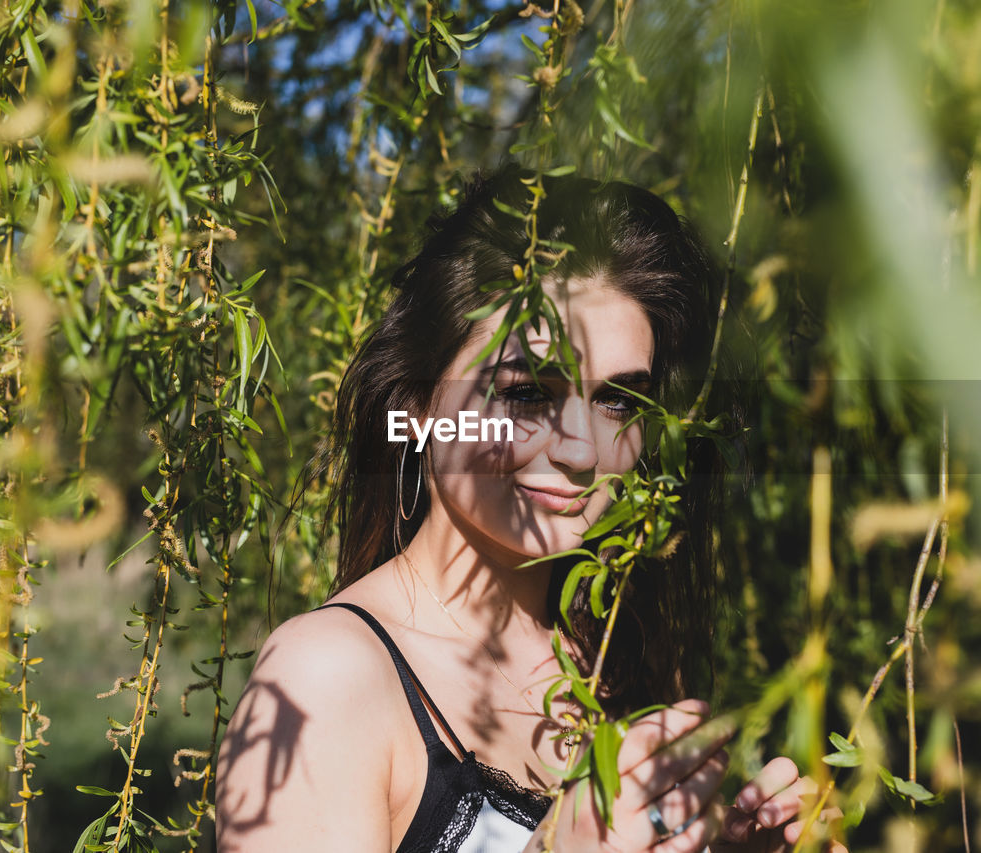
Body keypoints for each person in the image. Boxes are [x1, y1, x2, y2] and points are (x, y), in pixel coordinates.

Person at [215, 169, 846, 852]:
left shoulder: (615, 659)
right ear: (419, 408)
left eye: (618, 401)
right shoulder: (327, 676)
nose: (581, 447)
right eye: (524, 394)